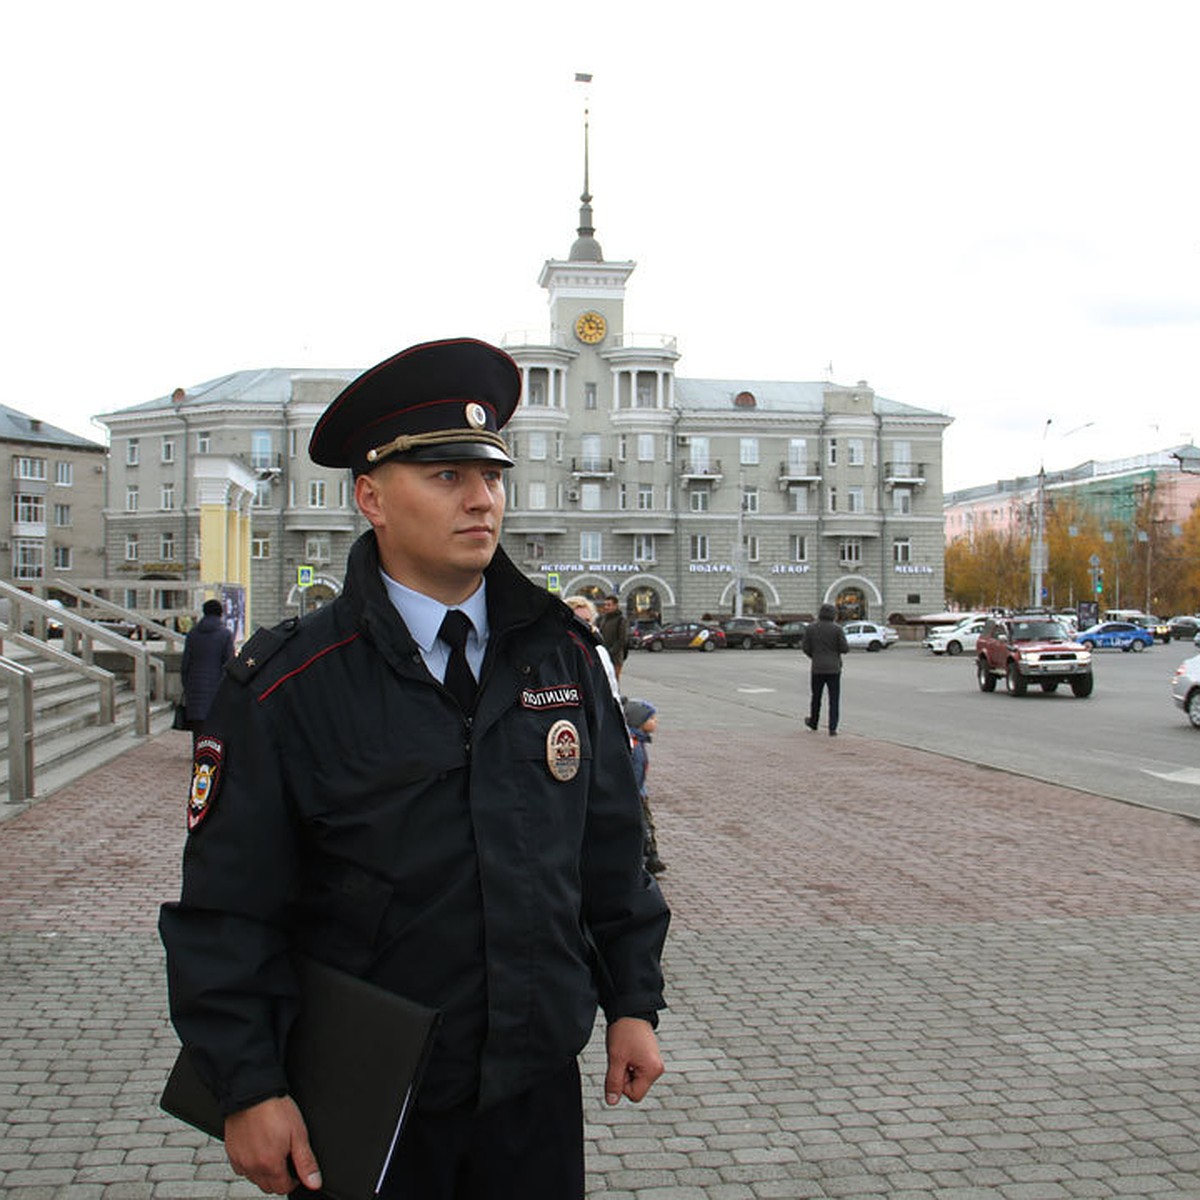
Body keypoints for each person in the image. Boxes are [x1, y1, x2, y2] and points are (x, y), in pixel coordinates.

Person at [158, 337, 669, 1200]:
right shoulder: (287, 683)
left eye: (493, 476)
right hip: (368, 1098)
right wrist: (249, 1084)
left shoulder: (561, 656)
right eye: (445, 477)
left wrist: (632, 1004)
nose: (482, 500)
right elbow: (227, 910)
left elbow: (611, 853)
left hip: (532, 1090)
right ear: (370, 498)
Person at [179, 597, 234, 740]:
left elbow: (185, 664)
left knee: (198, 728)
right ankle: (212, 756)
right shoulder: (225, 634)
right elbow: (229, 664)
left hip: (195, 686)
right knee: (215, 727)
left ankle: (197, 755)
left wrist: (187, 685)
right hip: (217, 687)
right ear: (220, 613)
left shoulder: (193, 634)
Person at [622, 697, 665, 876]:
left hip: (639, 792)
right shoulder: (634, 745)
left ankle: (650, 857)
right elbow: (635, 772)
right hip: (636, 794)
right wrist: (637, 793)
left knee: (646, 825)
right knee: (643, 826)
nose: (656, 722)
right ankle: (646, 859)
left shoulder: (636, 741)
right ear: (639, 721)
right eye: (651, 719)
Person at [801, 603, 849, 736]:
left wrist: (814, 656)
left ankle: (814, 722)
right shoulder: (837, 629)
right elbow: (845, 648)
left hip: (817, 668)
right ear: (833, 614)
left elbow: (805, 648)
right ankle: (832, 727)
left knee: (816, 696)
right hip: (834, 668)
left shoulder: (811, 628)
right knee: (834, 698)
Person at [564, 594, 620, 697]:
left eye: (587, 621)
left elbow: (612, 689)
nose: (583, 626)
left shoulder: (599, 651)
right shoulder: (558, 654)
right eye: (577, 621)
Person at [596, 594, 628, 681]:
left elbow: (622, 640)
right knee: (603, 681)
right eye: (605, 605)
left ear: (615, 606)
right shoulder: (602, 619)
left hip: (615, 658)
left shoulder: (621, 620)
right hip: (602, 656)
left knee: (613, 680)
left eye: (609, 605)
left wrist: (610, 652)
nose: (606, 607)